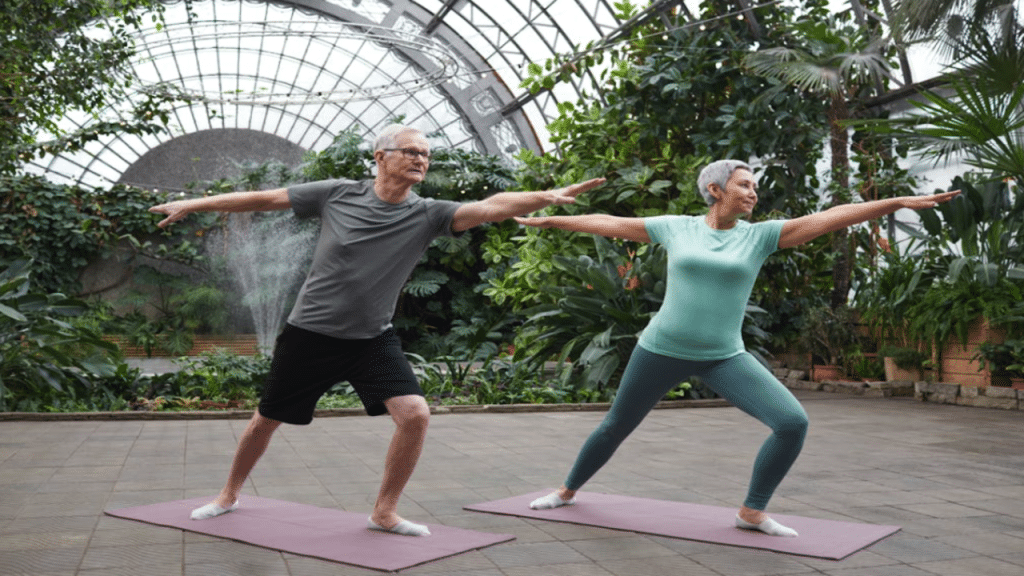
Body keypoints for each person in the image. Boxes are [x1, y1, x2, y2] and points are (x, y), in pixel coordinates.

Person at [149, 124, 605, 536]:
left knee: (416, 415)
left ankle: (384, 511)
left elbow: (490, 208)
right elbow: (266, 198)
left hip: (372, 338)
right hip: (310, 333)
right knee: (266, 419)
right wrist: (195, 203)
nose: (420, 159)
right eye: (409, 150)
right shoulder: (337, 194)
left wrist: (546, 195)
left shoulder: (429, 214)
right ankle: (228, 495)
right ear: (379, 156)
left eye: (426, 154)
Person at [517, 159, 959, 537]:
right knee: (616, 426)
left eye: (755, 187)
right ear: (715, 189)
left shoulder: (760, 236)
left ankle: (752, 511)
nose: (753, 193)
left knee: (791, 422)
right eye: (744, 185)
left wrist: (895, 202)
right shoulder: (676, 228)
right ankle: (566, 490)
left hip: (723, 355)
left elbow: (834, 215)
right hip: (660, 349)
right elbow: (609, 224)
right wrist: (551, 218)